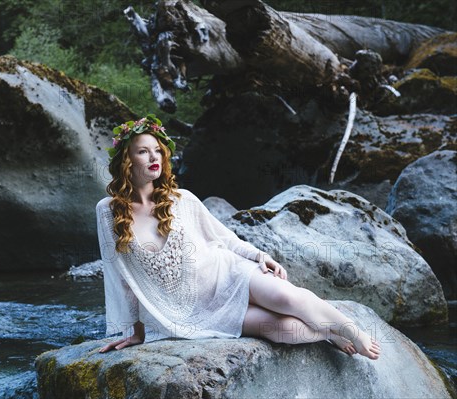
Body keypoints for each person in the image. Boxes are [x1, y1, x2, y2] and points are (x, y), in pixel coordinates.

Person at [95, 114, 380, 359]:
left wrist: (259, 256)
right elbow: (119, 274)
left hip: (226, 274)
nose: (154, 157)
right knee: (286, 330)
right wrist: (135, 329)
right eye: (143, 151)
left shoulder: (182, 199)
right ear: (127, 161)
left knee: (286, 297)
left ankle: (351, 330)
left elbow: (224, 237)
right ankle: (328, 333)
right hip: (194, 309)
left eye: (157, 150)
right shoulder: (108, 211)